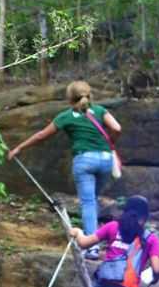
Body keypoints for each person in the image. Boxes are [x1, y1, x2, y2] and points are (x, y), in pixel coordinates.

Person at [8, 80, 121, 258]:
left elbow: (41, 136)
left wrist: (19, 148)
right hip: (106, 160)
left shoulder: (66, 116)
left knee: (89, 202)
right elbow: (117, 127)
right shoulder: (100, 111)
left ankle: (92, 247)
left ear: (69, 99)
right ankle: (97, 238)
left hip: (85, 160)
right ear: (89, 95)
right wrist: (111, 143)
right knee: (94, 200)